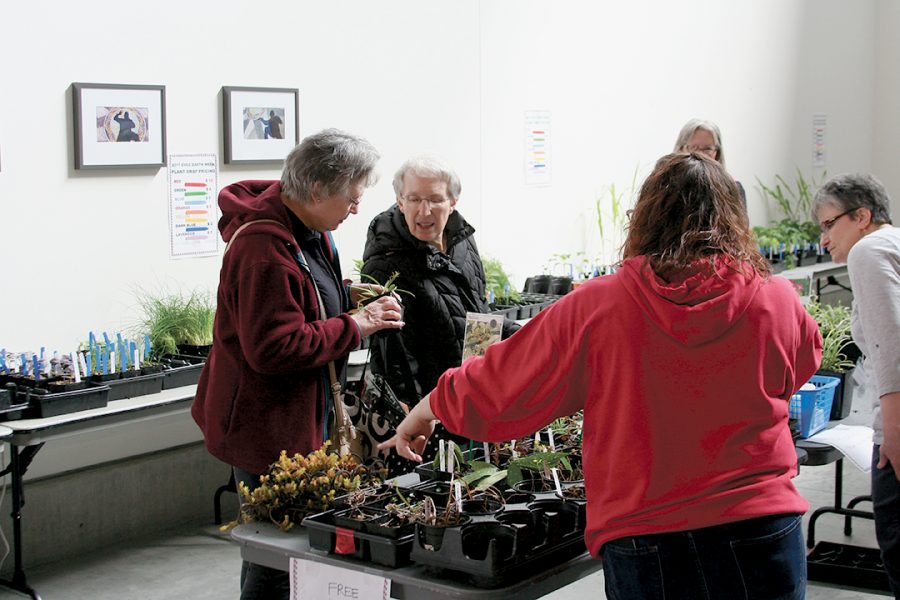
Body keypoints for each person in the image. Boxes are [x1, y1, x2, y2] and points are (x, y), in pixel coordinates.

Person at [381, 152, 822, 599]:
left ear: (646, 217)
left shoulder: (599, 307)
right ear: (733, 217)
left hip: (648, 535)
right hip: (762, 525)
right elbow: (803, 362)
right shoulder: (777, 299)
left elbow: (506, 381)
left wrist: (427, 409)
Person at [192, 128, 404, 600]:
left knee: (297, 553)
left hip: (297, 421)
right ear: (315, 190)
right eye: (350, 199)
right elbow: (273, 348)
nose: (356, 209)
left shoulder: (306, 228)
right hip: (264, 429)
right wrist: (358, 324)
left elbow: (304, 295)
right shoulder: (263, 250)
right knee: (275, 557)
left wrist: (348, 295)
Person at [361, 155, 519, 473]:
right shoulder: (385, 262)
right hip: (427, 410)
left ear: (453, 201)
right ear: (399, 201)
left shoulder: (462, 239)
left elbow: (475, 314)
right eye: (414, 199)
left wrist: (522, 335)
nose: (424, 211)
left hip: (471, 394)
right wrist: (416, 416)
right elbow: (397, 356)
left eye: (434, 200)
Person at [812, 173, 900, 597]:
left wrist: (895, 438)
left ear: (862, 216)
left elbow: (891, 347)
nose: (824, 240)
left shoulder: (868, 250)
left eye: (829, 224)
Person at [674, 118, 746, 205]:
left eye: (707, 149)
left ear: (717, 153)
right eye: (693, 148)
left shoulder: (733, 189)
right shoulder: (666, 187)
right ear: (680, 149)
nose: (700, 154)